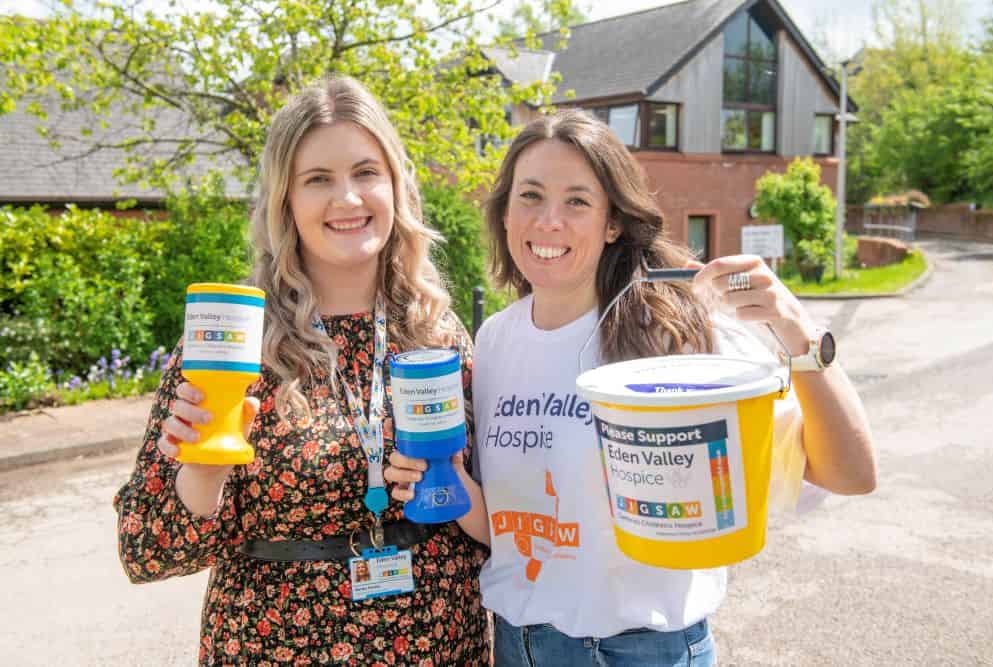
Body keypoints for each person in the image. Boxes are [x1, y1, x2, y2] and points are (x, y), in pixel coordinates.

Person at [386, 109, 876, 666]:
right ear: (504, 214)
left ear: (613, 222)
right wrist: (441, 482)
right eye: (530, 196)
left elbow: (850, 474)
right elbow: (512, 529)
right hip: (518, 644)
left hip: (640, 651)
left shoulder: (673, 333)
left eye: (577, 200)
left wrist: (797, 331)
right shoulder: (495, 341)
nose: (548, 221)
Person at [114, 76, 490, 665]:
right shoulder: (236, 343)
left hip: (440, 646)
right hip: (276, 648)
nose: (347, 198)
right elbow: (147, 552)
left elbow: (512, 522)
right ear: (285, 200)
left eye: (367, 172)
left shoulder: (438, 336)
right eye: (318, 179)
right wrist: (203, 467)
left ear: (396, 187)